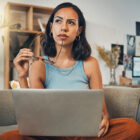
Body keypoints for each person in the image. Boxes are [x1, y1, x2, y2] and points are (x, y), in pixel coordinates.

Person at [1, 2, 140, 140]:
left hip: (83, 133)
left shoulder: (90, 63)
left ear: (79, 31)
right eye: (58, 21)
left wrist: (104, 119)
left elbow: (102, 111)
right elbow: (33, 115)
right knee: (8, 137)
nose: (64, 27)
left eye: (71, 23)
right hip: (51, 133)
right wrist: (22, 76)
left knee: (132, 127)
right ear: (51, 27)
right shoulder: (39, 65)